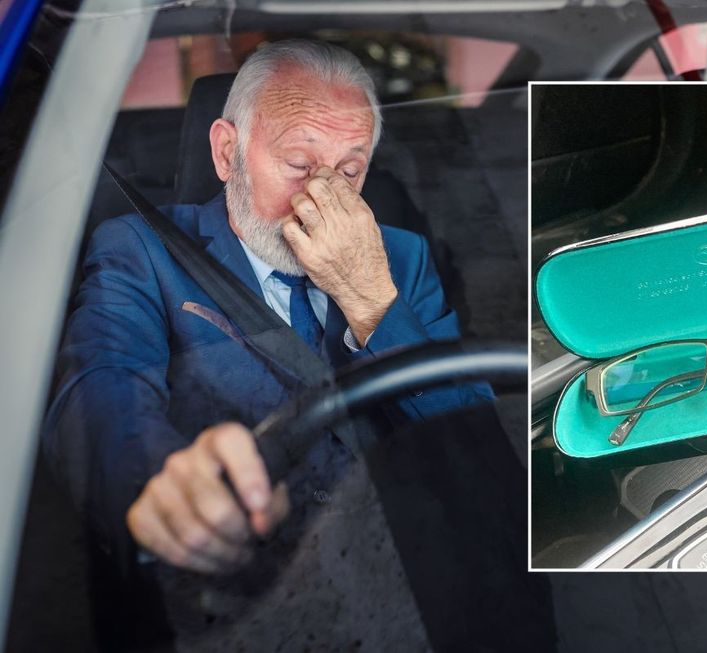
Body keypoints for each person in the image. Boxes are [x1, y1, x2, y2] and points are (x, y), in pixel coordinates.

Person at [41, 39, 491, 586]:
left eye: (350, 172)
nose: (321, 195)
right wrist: (163, 487)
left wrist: (371, 298)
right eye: (299, 163)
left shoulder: (401, 256)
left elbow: (474, 437)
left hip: (398, 563)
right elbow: (100, 388)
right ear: (228, 153)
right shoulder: (141, 248)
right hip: (245, 581)